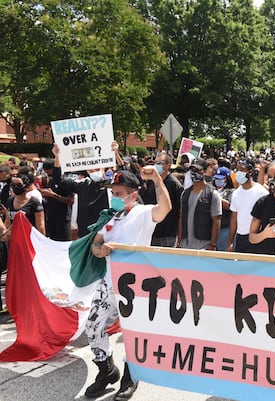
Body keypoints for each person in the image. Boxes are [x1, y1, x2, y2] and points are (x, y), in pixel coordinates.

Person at [86, 168, 171, 400]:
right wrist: (99, 250)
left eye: (119, 192)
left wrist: (156, 180)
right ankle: (106, 370)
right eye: (112, 192)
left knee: (133, 333)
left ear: (133, 195)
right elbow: (96, 244)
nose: (114, 196)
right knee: (93, 326)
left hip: (134, 287)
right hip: (108, 284)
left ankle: (130, 374)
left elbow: (165, 209)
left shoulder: (143, 213)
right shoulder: (111, 217)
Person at [177, 159, 221, 251]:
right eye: (192, 170)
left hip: (204, 246)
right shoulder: (185, 193)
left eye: (197, 170)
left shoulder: (212, 194)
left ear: (205, 172)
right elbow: (181, 218)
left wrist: (212, 244)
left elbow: (216, 221)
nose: (194, 173)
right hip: (185, 246)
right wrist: (179, 241)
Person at [140, 152, 183, 247]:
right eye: (155, 162)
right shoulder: (151, 182)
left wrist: (179, 238)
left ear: (168, 165)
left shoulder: (174, 185)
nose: (156, 165)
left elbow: (181, 213)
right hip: (150, 232)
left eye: (160, 163)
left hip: (167, 235)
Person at [228, 158, 269, 253]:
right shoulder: (235, 194)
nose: (238, 172)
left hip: (257, 237)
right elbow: (234, 219)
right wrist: (230, 242)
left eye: (242, 169)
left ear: (250, 172)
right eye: (237, 169)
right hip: (240, 238)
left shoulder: (261, 192)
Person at [39, 158, 75, 241]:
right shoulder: (50, 181)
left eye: (49, 172)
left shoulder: (66, 181)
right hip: (51, 217)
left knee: (64, 243)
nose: (48, 174)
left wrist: (53, 195)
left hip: (63, 218)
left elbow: (70, 201)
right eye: (46, 172)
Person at [213, 166, 235, 251]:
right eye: (216, 178)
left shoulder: (231, 192)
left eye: (221, 179)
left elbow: (230, 206)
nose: (218, 181)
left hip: (225, 228)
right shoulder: (213, 189)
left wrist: (216, 197)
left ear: (227, 179)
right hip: (213, 227)